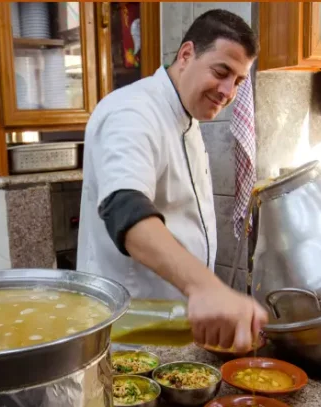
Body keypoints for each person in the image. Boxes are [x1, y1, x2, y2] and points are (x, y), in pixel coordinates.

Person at [77, 10, 267, 354]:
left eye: (238, 81)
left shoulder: (187, 115)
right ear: (186, 54)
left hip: (172, 329)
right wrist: (205, 287)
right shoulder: (132, 111)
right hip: (132, 338)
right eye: (221, 72)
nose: (227, 91)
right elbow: (125, 208)